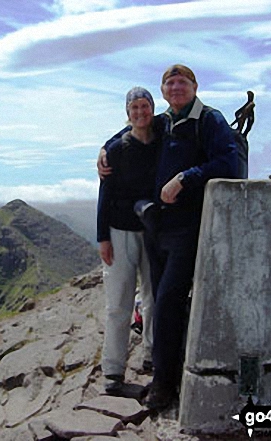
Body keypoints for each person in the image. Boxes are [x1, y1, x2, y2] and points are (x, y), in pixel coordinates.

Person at [98, 65, 238, 409]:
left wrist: (185, 178)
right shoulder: (165, 120)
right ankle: (162, 370)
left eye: (183, 82)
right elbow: (133, 128)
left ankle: (163, 384)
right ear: (163, 91)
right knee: (159, 303)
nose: (176, 87)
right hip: (156, 229)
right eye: (170, 82)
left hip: (187, 227)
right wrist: (105, 149)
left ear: (194, 86)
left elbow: (229, 164)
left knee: (169, 301)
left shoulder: (209, 120)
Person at [97, 87, 156, 395]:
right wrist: (102, 237)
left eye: (144, 106)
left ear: (152, 108)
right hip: (119, 231)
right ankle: (113, 369)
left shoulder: (162, 137)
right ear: (127, 112)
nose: (140, 112)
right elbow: (104, 193)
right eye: (134, 107)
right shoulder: (118, 149)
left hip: (153, 231)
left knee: (153, 298)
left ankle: (152, 356)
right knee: (118, 303)